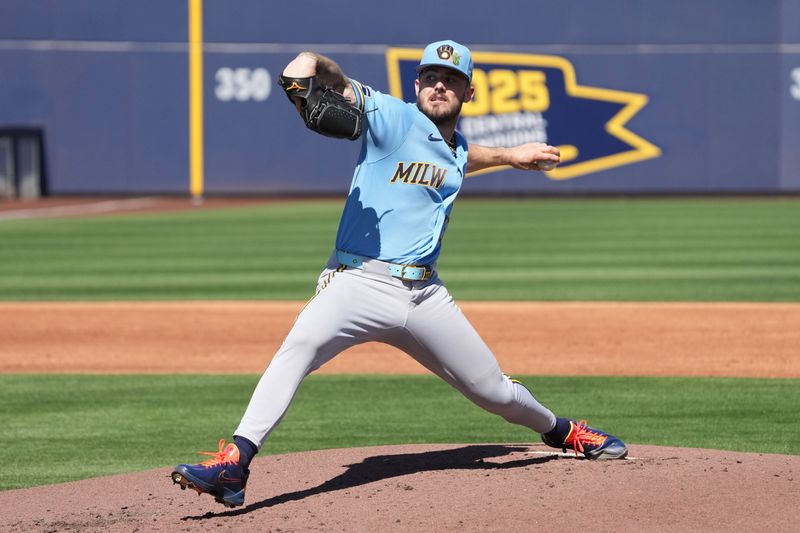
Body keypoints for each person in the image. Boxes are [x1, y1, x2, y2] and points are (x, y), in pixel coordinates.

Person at [171, 40, 627, 508]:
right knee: (298, 348)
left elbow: (464, 156)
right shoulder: (393, 116)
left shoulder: (455, 149)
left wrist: (511, 155)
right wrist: (311, 64)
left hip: (425, 296)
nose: (438, 85)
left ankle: (565, 432)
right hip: (359, 283)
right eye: (430, 76)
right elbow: (321, 76)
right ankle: (235, 463)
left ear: (468, 93)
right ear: (416, 84)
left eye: (451, 79)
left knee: (493, 391)